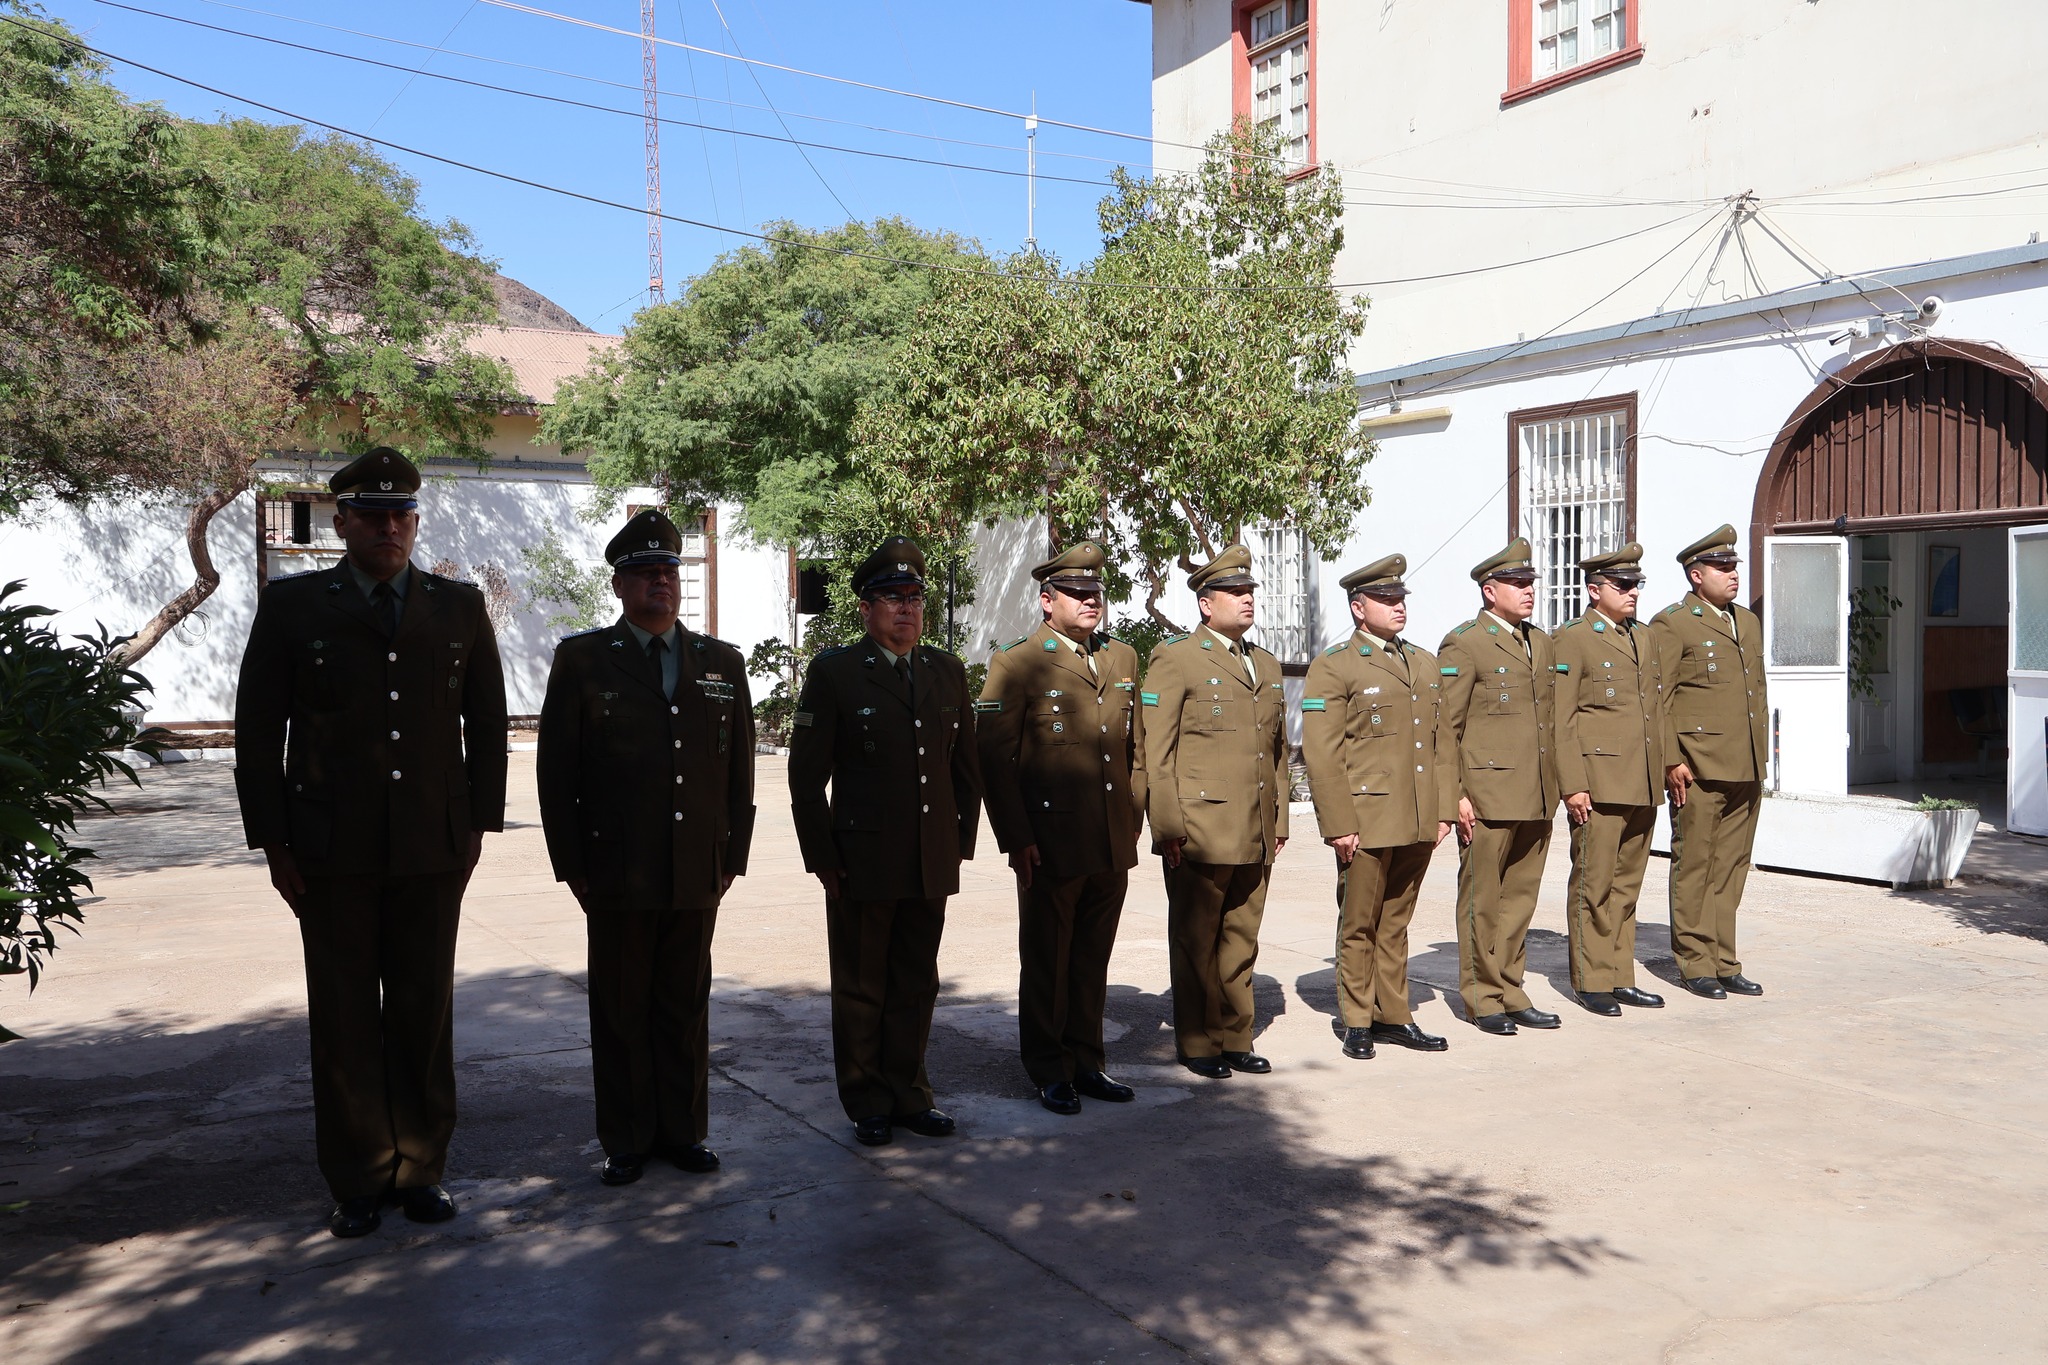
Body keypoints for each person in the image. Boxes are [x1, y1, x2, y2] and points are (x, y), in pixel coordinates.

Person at [234, 447, 507, 1238]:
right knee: (346, 1017)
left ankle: (421, 1168)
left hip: (432, 846)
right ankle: (356, 1175)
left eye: (404, 515)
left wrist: (478, 824)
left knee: (424, 1012)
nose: (391, 527)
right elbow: (259, 735)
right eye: (374, 514)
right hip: (330, 851)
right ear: (342, 520)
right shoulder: (293, 608)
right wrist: (275, 843)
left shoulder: (458, 607)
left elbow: (485, 724)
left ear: (415, 523)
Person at [536, 508, 755, 1187]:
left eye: (669, 571)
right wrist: (574, 867)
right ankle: (627, 1136)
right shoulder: (583, 660)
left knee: (685, 1005)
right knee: (622, 1006)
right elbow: (556, 772)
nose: (661, 582)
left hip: (697, 862)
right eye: (645, 573)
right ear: (619, 586)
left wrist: (733, 856)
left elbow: (739, 768)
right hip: (618, 865)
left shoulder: (720, 662)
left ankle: (684, 1130)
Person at [788, 538, 982, 1147]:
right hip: (861, 861)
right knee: (861, 985)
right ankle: (867, 1098)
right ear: (865, 609)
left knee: (916, 982)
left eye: (915, 597)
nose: (907, 609)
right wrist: (824, 860)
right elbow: (804, 778)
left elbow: (965, 769)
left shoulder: (946, 671)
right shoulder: (837, 673)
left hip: (929, 857)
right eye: (893, 598)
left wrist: (959, 845)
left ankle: (910, 1093)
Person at [975, 541, 1146, 1115]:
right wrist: (1015, 837)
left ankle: (1087, 1061)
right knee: (1048, 959)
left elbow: (1134, 750)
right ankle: (1049, 1068)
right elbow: (993, 760)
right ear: (1047, 602)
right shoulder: (1018, 662)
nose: (1090, 600)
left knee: (1092, 958)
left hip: (1109, 839)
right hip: (1049, 842)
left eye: (1095, 591)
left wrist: (1135, 817)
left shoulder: (1122, 658)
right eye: (1076, 593)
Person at [1142, 544, 1289, 1079]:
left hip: (1254, 826)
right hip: (1200, 827)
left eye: (1250, 591)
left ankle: (1235, 1034)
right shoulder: (1176, 658)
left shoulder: (1266, 664)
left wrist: (1281, 822)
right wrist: (1168, 825)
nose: (1248, 600)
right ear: (1206, 605)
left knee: (1242, 937)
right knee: (1196, 938)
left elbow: (1276, 752)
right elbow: (1155, 751)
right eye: (1235, 593)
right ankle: (1199, 1040)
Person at [1299, 554, 1454, 1060]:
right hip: (1366, 819)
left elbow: (1443, 741)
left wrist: (1445, 808)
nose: (1398, 607)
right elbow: (1323, 753)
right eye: (1386, 600)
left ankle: (1394, 1015)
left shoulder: (1424, 662)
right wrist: (1338, 824)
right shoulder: (1336, 665)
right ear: (1358, 607)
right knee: (1359, 921)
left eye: (1400, 598)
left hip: (1416, 816)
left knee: (1397, 920)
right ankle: (1358, 1020)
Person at [1436, 537, 1563, 1037]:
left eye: (1530, 582)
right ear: (1490, 592)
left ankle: (1511, 987)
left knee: (1520, 900)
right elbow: (1447, 728)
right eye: (1517, 584)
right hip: (1487, 795)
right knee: (1483, 900)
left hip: (1535, 793)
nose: (1528, 590)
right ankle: (1482, 995)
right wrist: (1457, 795)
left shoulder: (1542, 642)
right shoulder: (1465, 643)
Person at [1650, 525, 1769, 1000]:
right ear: (1696, 576)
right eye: (1722, 568)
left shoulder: (1747, 621)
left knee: (1732, 867)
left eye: (1734, 566)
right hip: (1697, 767)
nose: (1733, 574)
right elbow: (1659, 698)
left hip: (1745, 763)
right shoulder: (1673, 623)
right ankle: (1695, 962)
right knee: (1696, 865)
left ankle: (1724, 959)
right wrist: (1670, 759)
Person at [1552, 544, 1668, 1017]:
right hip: (1598, 783)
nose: (1632, 592)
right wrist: (1574, 784)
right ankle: (1591, 979)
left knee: (1627, 886)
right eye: (1622, 585)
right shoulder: (1574, 638)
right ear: (1594, 590)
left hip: (1640, 781)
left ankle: (1621, 975)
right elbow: (1562, 718)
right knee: (1593, 885)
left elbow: (1654, 710)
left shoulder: (1644, 637)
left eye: (1636, 584)